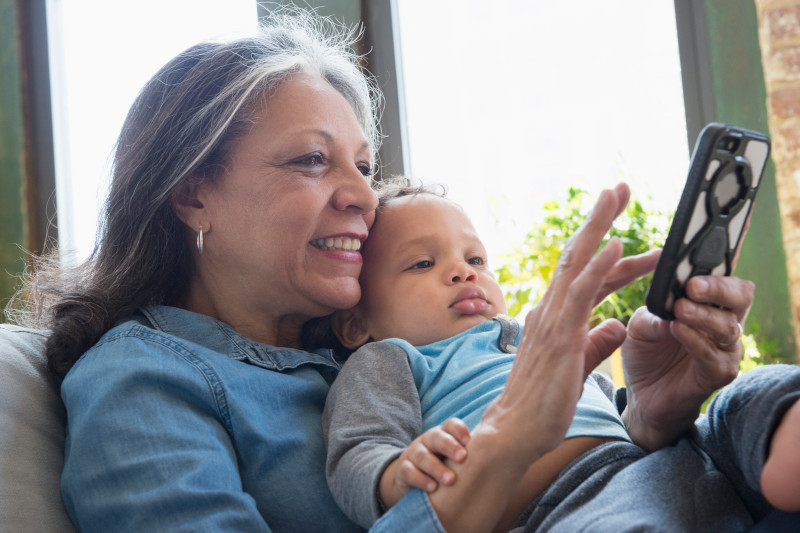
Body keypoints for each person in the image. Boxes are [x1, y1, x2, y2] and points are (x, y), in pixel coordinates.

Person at [8, 7, 796, 532]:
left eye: (360, 163)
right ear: (192, 193)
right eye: (312, 160)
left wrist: (657, 409)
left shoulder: (373, 341)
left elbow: (603, 468)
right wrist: (505, 445)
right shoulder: (142, 378)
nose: (360, 194)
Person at [321, 177, 800, 532]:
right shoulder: (389, 358)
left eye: (475, 259)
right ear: (356, 323)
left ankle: (784, 433)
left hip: (658, 463)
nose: (462, 273)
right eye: (422, 263)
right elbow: (356, 452)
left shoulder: (534, 336)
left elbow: (622, 419)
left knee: (743, 398)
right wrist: (395, 472)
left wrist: (652, 411)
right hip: (563, 506)